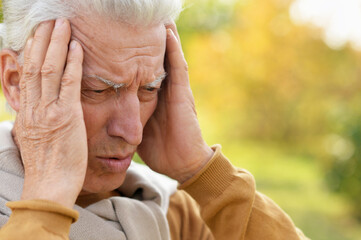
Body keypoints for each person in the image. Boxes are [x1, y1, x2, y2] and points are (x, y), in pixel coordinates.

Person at [0, 0, 309, 239]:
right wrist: (45, 204)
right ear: (16, 81)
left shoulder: (175, 211)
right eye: (98, 89)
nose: (133, 132)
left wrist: (203, 173)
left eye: (149, 88)